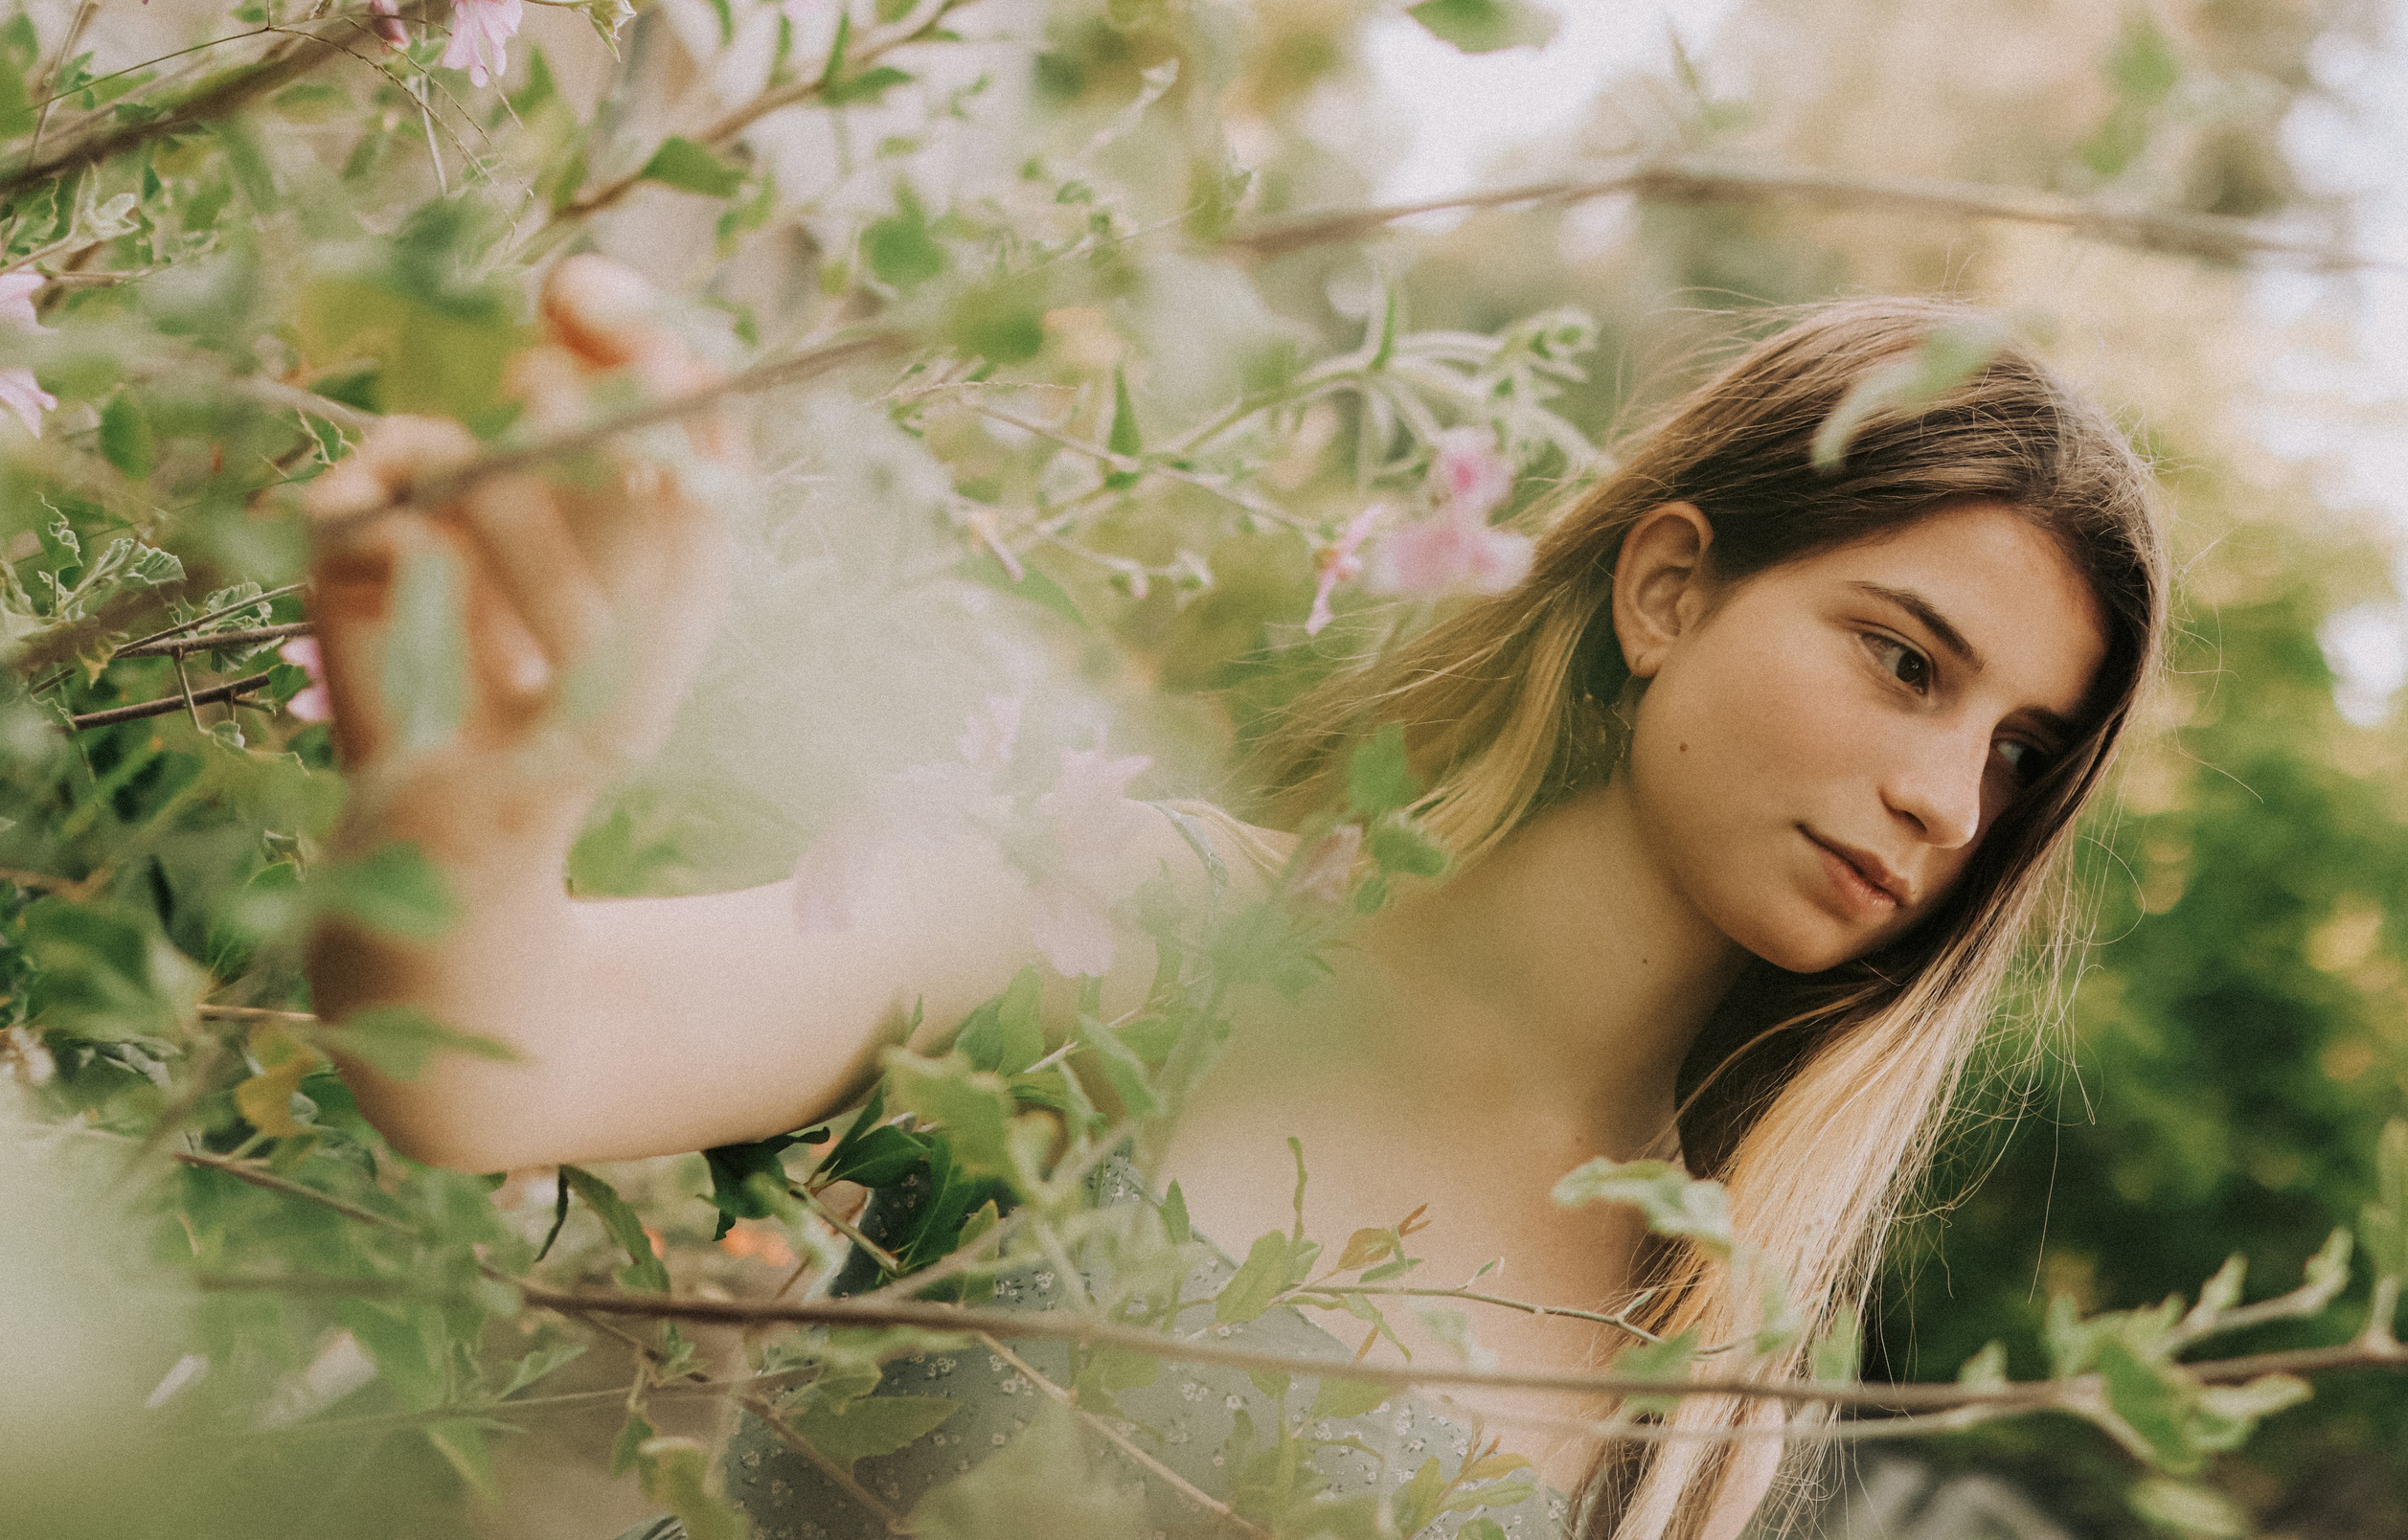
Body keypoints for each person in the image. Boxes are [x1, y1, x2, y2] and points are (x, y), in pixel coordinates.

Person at [301, 272, 2167, 1539]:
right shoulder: (1137, 914)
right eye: (1903, 661)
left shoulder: (1715, 1348)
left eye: (2020, 756)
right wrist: (478, 802)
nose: (1943, 797)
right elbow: (498, 1058)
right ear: (1665, 588)